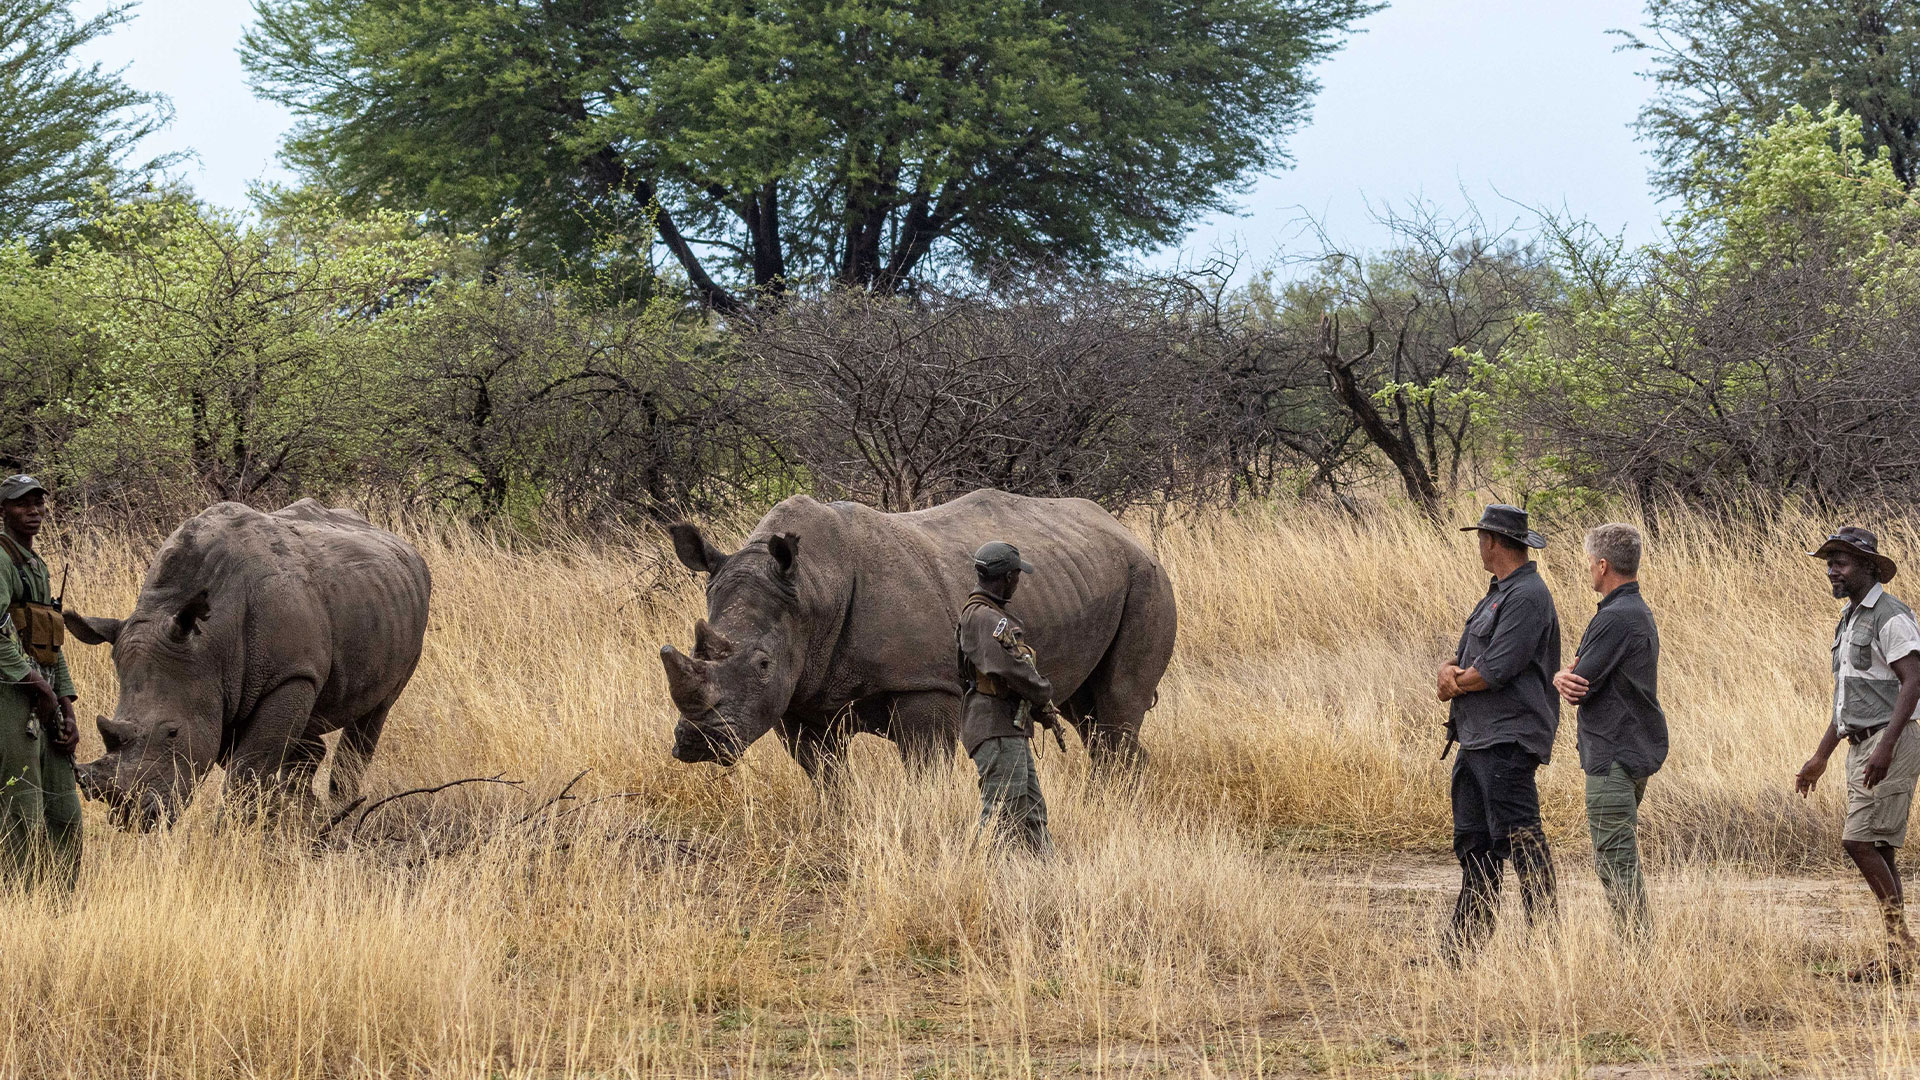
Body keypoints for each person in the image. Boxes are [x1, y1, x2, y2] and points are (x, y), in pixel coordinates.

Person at [1795, 526, 1920, 982]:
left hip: (1890, 741)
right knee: (1879, 846)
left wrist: (1886, 746)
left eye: (1842, 562)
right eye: (1830, 562)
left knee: (1858, 842)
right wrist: (1821, 756)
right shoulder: (1849, 619)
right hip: (1860, 742)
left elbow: (1914, 680)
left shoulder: (1891, 615)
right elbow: (1849, 698)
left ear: (1869, 567)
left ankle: (1903, 945)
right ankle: (1898, 955)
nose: (1832, 570)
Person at [1436, 503, 1562, 958]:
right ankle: (1463, 950)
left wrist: (1453, 684)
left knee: (1523, 840)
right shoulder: (1500, 592)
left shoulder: (1527, 595)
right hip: (1476, 738)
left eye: (1480, 538)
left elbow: (1497, 667)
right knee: (1475, 844)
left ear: (1492, 541)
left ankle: (1545, 949)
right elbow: (1468, 656)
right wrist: (1447, 669)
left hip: (1507, 740)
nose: (1479, 546)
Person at [1553, 523, 1667, 935]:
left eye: (1589, 562)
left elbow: (1577, 683)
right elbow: (1584, 673)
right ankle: (1635, 945)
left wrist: (1560, 676)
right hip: (1629, 749)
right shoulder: (1633, 611)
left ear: (1602, 565)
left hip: (1613, 754)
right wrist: (1572, 673)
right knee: (1618, 856)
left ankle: (1637, 950)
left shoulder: (1615, 617)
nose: (1588, 569)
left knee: (1615, 859)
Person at [0, 474, 81, 890]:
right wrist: (35, 685)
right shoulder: (1, 559)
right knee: (21, 802)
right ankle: (20, 899)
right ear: (3, 511)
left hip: (43, 694)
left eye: (38, 503)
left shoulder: (37, 564)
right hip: (10, 694)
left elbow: (51, 639)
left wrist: (65, 701)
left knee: (64, 806)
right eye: (21, 503)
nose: (33, 511)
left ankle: (60, 903)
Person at [957, 541, 1059, 856]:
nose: (1018, 581)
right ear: (1007, 577)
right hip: (996, 727)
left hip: (1007, 727)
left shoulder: (987, 615)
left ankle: (1049, 876)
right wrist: (1043, 693)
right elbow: (1013, 668)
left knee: (1031, 813)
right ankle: (982, 878)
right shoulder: (985, 618)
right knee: (1002, 815)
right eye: (1017, 575)